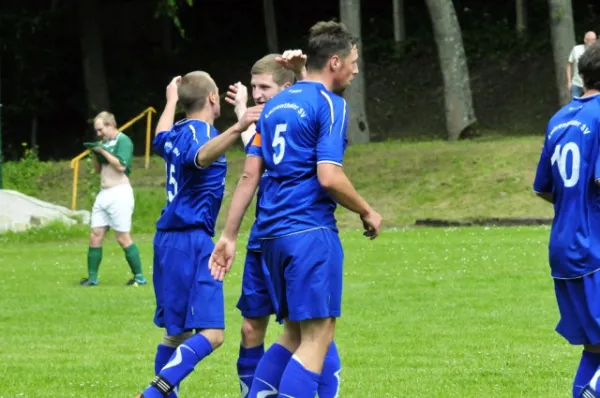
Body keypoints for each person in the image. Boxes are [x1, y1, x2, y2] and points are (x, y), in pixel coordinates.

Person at [209, 21, 383, 398]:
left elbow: (249, 176)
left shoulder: (271, 110)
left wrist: (228, 234)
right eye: (353, 61)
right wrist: (367, 211)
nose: (355, 69)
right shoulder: (331, 105)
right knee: (318, 336)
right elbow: (329, 176)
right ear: (334, 61)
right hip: (308, 232)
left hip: (270, 236)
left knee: (292, 334)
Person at [203, 51, 343, 397]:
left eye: (265, 86)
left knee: (310, 329)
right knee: (270, 329)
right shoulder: (273, 118)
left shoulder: (296, 115)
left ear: (288, 87)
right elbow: (251, 168)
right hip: (269, 238)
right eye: (254, 87)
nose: (259, 93)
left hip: (288, 232)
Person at [136, 72, 262, 398]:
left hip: (168, 241)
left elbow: (158, 136)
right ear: (213, 97)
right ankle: (151, 395)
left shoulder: (175, 131)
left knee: (176, 335)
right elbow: (200, 157)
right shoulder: (202, 132)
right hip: (191, 240)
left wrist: (169, 101)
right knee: (213, 333)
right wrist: (236, 128)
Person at [534, 42, 600, 398]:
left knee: (595, 349)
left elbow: (545, 188)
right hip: (594, 248)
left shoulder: (559, 119)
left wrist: (575, 206)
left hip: (565, 248)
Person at [80, 111, 146, 287]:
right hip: (104, 193)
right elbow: (98, 170)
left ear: (110, 125)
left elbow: (121, 165)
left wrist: (102, 150)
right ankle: (92, 278)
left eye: (101, 130)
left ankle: (139, 276)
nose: (98, 134)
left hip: (120, 193)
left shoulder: (123, 140)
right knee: (95, 235)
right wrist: (94, 152)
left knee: (122, 237)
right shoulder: (104, 143)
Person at [567, 31, 597, 99]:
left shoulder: (597, 52)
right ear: (585, 40)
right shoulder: (576, 49)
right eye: (589, 39)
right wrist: (569, 82)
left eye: (593, 39)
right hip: (576, 84)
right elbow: (569, 65)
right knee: (575, 106)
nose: (592, 42)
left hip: (591, 86)